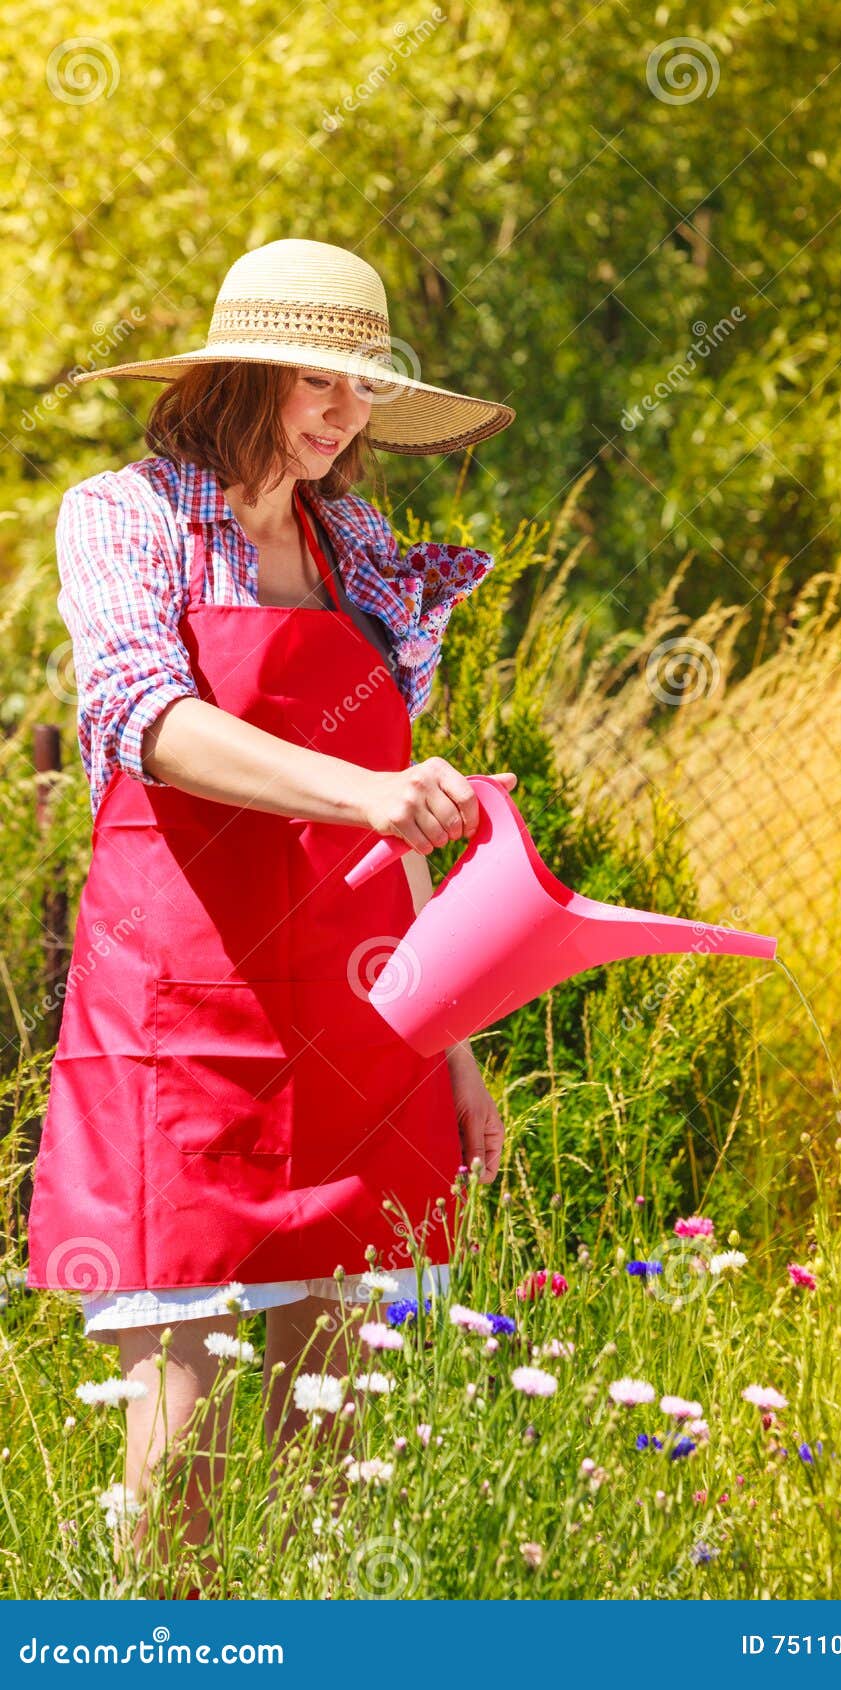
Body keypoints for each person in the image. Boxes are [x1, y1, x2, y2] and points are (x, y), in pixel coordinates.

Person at [25, 237, 517, 1590]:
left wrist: (453, 1047)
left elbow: (397, 815)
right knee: (181, 1459)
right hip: (180, 1027)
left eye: (364, 390)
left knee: (329, 1453)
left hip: (362, 1033)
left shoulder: (352, 543)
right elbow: (149, 724)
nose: (346, 415)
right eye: (319, 380)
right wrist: (364, 792)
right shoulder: (123, 514)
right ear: (239, 376)